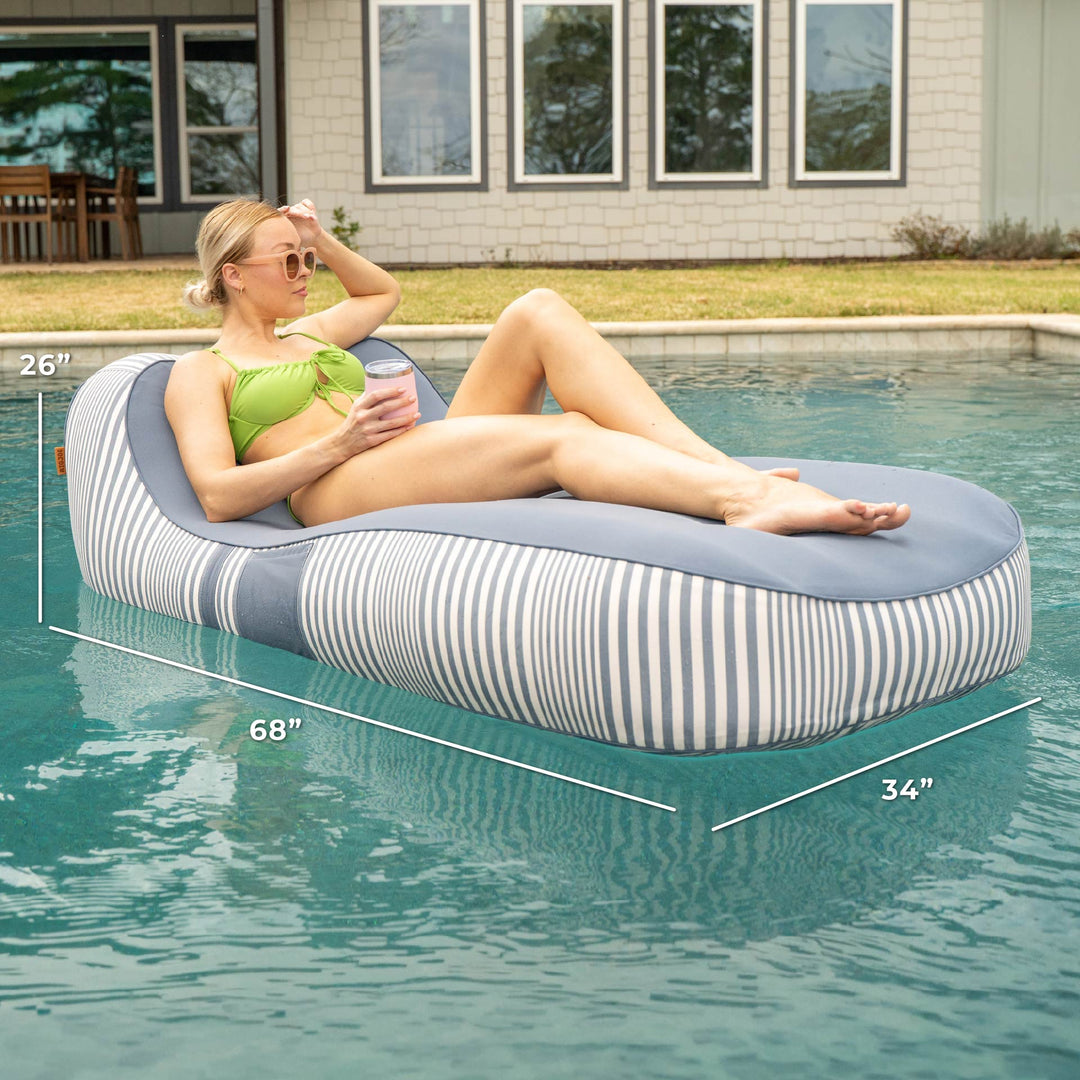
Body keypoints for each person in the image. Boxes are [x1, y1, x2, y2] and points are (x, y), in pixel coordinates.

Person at [166, 197, 911, 535]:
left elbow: (380, 292)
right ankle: (744, 502)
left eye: (304, 260)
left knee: (538, 310)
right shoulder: (203, 372)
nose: (303, 271)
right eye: (286, 260)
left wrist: (319, 237)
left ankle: (726, 469)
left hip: (406, 457)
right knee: (565, 438)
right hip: (334, 485)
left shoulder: (314, 332)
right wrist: (341, 442)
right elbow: (217, 498)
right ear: (233, 274)